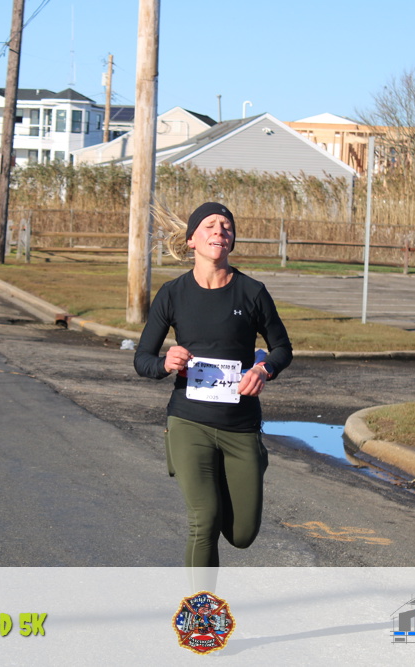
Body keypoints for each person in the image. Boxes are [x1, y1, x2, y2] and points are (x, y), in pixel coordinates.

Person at [134, 202, 292, 568]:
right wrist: (165, 363)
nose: (220, 230)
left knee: (242, 534)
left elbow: (282, 348)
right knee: (204, 520)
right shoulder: (172, 294)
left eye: (226, 226)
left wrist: (264, 369)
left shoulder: (252, 292)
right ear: (192, 240)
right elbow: (142, 359)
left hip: (241, 426)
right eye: (210, 225)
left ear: (232, 240)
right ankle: (201, 606)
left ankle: (245, 468)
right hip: (189, 422)